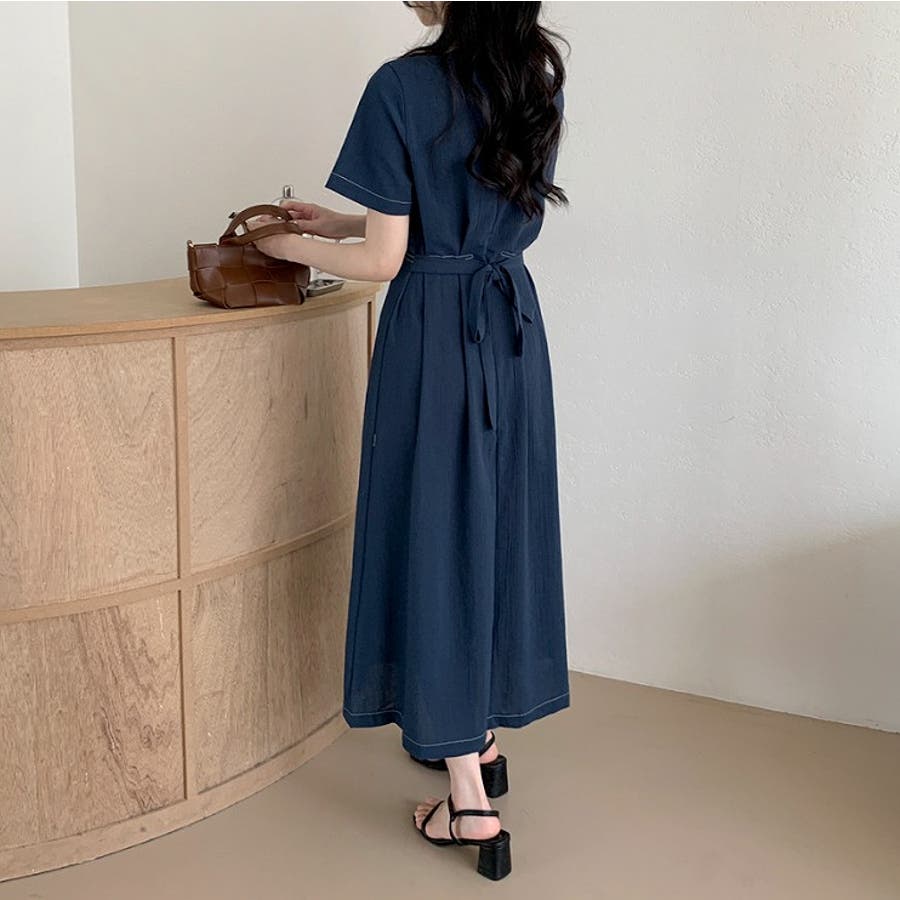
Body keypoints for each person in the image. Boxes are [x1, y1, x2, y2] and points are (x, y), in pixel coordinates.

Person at [246, 1, 570, 881]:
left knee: (436, 536)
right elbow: (451, 211)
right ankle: (481, 735)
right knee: (493, 526)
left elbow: (390, 262)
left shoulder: (402, 85)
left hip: (435, 337)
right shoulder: (534, 75)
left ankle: (468, 802)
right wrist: (337, 222)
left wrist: (286, 245)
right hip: (511, 333)